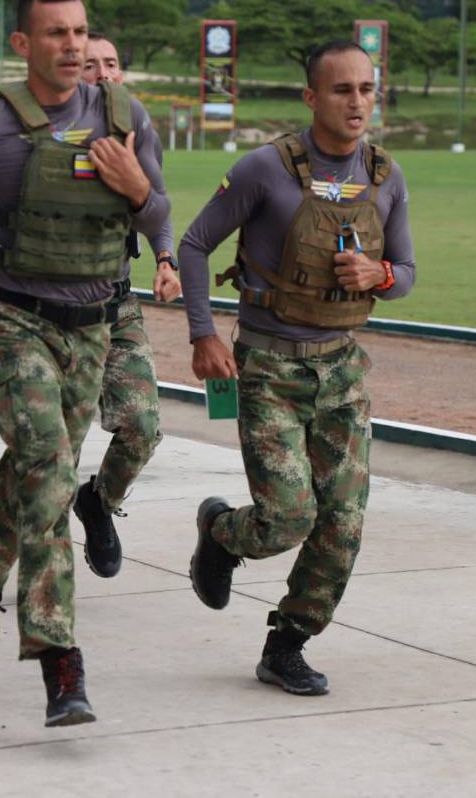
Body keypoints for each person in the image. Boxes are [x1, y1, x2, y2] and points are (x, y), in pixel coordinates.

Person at [0, 0, 172, 726]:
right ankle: (60, 661)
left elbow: (158, 210)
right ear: (22, 44)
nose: (71, 46)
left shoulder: (124, 116)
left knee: (31, 466)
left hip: (91, 327)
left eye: (79, 32)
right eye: (54, 33)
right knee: (51, 467)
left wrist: (135, 188)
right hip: (15, 324)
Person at [180, 40, 416, 696]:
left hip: (342, 371)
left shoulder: (383, 175)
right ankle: (221, 533)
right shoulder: (264, 169)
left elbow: (406, 275)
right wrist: (203, 335)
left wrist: (380, 273)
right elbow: (195, 244)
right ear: (311, 97)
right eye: (342, 90)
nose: (357, 102)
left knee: (341, 524)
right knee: (287, 516)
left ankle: (287, 643)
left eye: (366, 89)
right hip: (266, 370)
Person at [73, 33, 180, 578]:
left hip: (116, 304)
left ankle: (98, 501)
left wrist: (166, 259)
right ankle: (30, 564)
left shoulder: (134, 124)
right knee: (50, 450)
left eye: (111, 63)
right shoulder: (47, 131)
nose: (103, 72)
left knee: (143, 424)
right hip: (52, 312)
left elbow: (156, 204)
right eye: (91, 65)